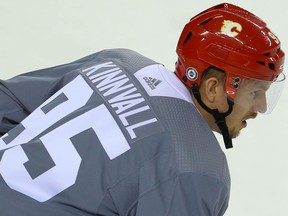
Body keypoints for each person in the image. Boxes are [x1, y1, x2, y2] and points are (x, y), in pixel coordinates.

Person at [0, 3, 285, 216]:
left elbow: (7, 103)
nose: (260, 107)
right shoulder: (197, 171)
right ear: (212, 88)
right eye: (256, 92)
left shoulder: (116, 62)